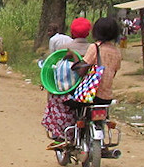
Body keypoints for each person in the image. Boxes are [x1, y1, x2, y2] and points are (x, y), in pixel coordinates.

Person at [43, 17, 122, 149]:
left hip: (90, 96)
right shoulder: (117, 52)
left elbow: (81, 70)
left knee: (58, 100)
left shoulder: (95, 47)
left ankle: (61, 135)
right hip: (106, 97)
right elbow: (114, 72)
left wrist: (73, 56)